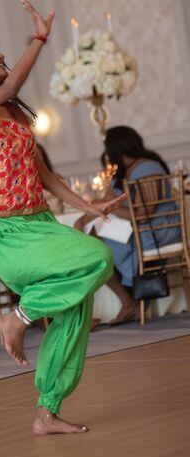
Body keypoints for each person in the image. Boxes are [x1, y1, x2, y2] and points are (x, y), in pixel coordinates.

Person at [0, 0, 126, 435]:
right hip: (8, 233)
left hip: (39, 223)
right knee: (98, 259)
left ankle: (46, 411)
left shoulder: (13, 117)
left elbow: (44, 175)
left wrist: (89, 207)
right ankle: (18, 319)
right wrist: (40, 39)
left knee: (75, 311)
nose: (1, 57)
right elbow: (6, 91)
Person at [75, 126, 182, 325]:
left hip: (158, 230)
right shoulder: (122, 174)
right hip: (139, 229)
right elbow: (104, 202)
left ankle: (130, 302)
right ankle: (128, 301)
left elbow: (144, 215)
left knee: (98, 241)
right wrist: (84, 219)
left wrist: (112, 207)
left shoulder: (149, 169)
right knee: (91, 243)